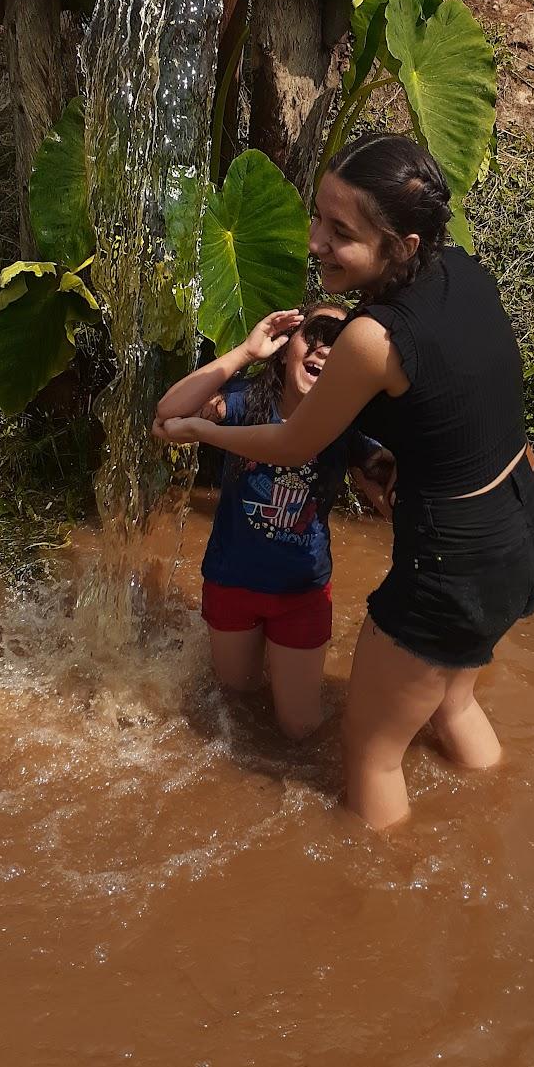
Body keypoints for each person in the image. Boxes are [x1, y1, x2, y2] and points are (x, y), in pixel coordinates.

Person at [159, 136, 534, 829]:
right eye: (318, 217)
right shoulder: (464, 272)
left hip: (450, 566)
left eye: (340, 232)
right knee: (452, 703)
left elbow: (294, 441)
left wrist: (205, 434)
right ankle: (494, 830)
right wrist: (394, 463)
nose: (314, 242)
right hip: (521, 527)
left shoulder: (372, 338)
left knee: (370, 754)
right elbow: (459, 399)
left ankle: (380, 906)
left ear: (402, 245)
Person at [154, 304, 394, 742]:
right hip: (233, 582)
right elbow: (168, 416)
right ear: (286, 349)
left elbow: (390, 494)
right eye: (315, 333)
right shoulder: (246, 403)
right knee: (237, 711)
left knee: (301, 729)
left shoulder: (345, 424)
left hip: (300, 592)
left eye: (341, 341)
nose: (325, 347)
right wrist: (246, 351)